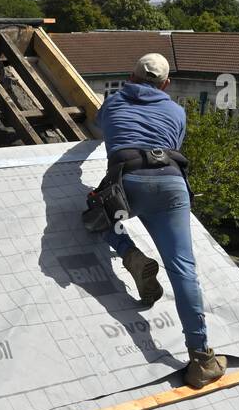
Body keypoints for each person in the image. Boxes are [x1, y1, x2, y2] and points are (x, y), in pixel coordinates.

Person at [94, 53, 226, 389]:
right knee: (183, 269)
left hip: (128, 184)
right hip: (170, 184)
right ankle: (201, 358)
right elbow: (169, 143)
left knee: (97, 211)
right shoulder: (176, 111)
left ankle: (127, 251)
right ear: (166, 84)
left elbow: (101, 125)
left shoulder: (113, 103)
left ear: (130, 75)